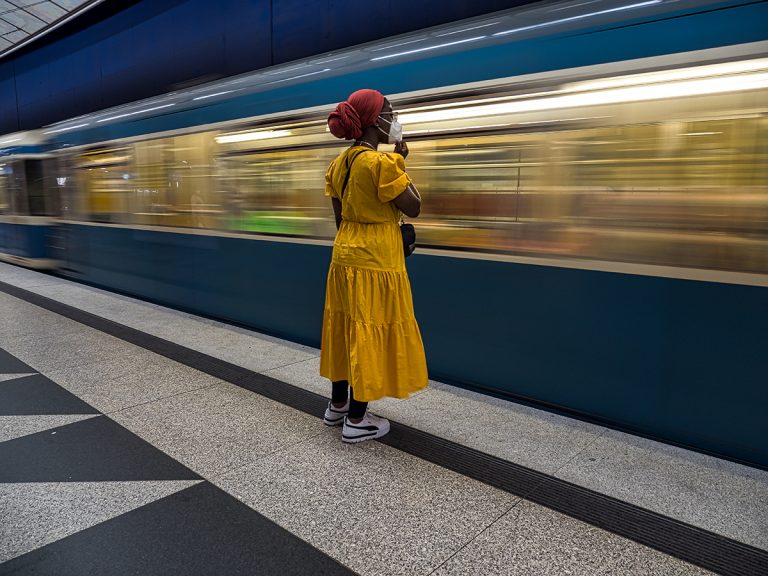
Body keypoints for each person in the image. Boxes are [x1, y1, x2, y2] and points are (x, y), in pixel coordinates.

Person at [320, 88, 428, 443]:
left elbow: (340, 218)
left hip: (344, 255)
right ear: (373, 122)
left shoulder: (340, 164)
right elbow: (413, 206)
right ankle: (357, 418)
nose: (394, 120)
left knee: (346, 327)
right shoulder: (382, 164)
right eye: (391, 114)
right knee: (367, 329)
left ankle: (337, 405)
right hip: (375, 260)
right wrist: (401, 161)